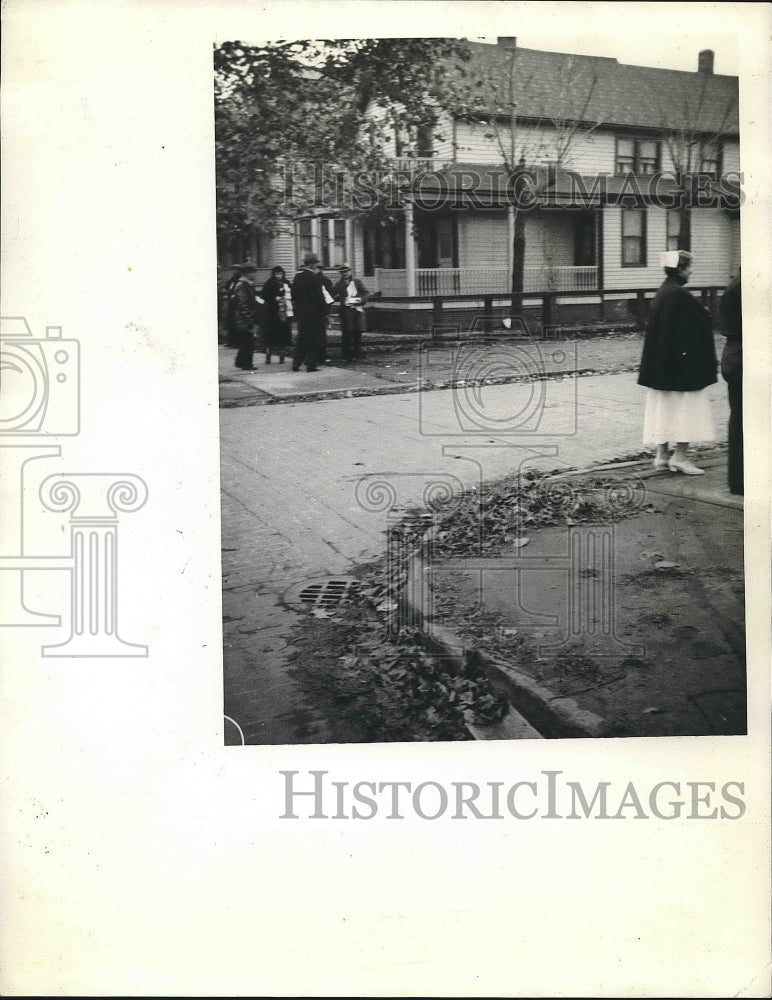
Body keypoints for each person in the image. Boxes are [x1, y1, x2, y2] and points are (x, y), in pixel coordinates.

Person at [638, 250, 718, 475]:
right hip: (683, 370)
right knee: (686, 409)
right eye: (690, 266)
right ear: (680, 269)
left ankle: (662, 455)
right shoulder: (680, 295)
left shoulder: (663, 293)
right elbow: (697, 327)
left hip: (662, 368)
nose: (692, 270)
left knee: (663, 407)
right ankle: (681, 457)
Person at [719, 268, 743, 495]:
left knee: (739, 418)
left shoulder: (735, 284)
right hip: (744, 355)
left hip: (734, 354)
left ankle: (738, 479)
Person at [291, 253, 327, 372]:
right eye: (316, 264)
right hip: (314, 314)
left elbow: (293, 295)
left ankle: (296, 363)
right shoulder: (315, 279)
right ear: (312, 265)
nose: (317, 266)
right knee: (314, 339)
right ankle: (311, 365)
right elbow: (319, 298)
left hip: (301, 313)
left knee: (302, 338)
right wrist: (325, 310)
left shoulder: (297, 277)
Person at [332, 263, 370, 361]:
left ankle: (356, 354)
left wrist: (360, 300)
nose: (344, 274)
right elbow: (332, 294)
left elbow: (365, 293)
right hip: (345, 312)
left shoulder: (357, 282)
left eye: (346, 271)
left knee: (357, 334)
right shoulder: (339, 284)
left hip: (356, 311)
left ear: (350, 271)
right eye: (342, 272)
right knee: (346, 334)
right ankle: (346, 355)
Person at [260, 265, 293, 364]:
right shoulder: (269, 284)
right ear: (274, 274)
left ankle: (282, 355)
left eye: (280, 273)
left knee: (283, 336)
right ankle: (268, 355)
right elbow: (264, 296)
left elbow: (292, 294)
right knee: (271, 336)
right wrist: (274, 298)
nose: (279, 275)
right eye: (277, 274)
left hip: (284, 313)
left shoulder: (286, 283)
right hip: (273, 314)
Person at [232, 263, 261, 370]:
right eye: (253, 272)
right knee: (248, 342)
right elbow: (243, 304)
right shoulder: (242, 286)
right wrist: (250, 320)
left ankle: (240, 362)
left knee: (245, 341)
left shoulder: (247, 284)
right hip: (244, 318)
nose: (254, 274)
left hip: (245, 317)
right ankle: (247, 364)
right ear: (247, 273)